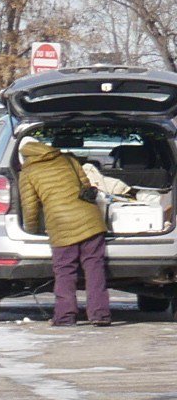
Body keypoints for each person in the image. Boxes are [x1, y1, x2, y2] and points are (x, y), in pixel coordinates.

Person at [15, 129, 128, 325]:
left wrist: (32, 230)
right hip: (90, 220)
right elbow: (87, 187)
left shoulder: (28, 173)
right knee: (94, 267)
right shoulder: (68, 159)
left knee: (65, 271)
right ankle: (100, 315)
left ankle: (65, 316)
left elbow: (30, 207)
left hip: (61, 224)